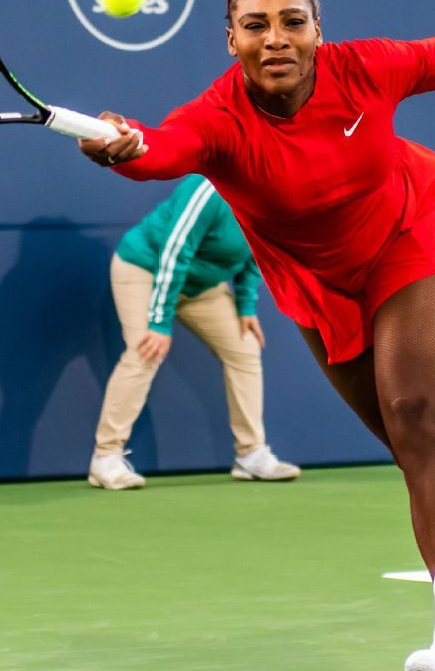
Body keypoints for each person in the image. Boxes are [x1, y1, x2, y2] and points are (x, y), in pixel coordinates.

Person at [78, 0, 435, 668]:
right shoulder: (217, 118)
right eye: (256, 26)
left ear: (317, 30)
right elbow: (163, 149)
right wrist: (123, 146)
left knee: (417, 416)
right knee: (420, 451)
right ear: (231, 40)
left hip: (416, 234)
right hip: (319, 284)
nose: (276, 38)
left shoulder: (365, 69)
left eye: (292, 22)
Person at [88, 173, 302, 490]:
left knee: (244, 348)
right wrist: (159, 321)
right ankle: (105, 458)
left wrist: (246, 305)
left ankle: (251, 455)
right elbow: (175, 251)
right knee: (144, 352)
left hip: (201, 287)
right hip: (145, 269)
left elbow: (259, 250)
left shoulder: (276, 198)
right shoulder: (209, 189)